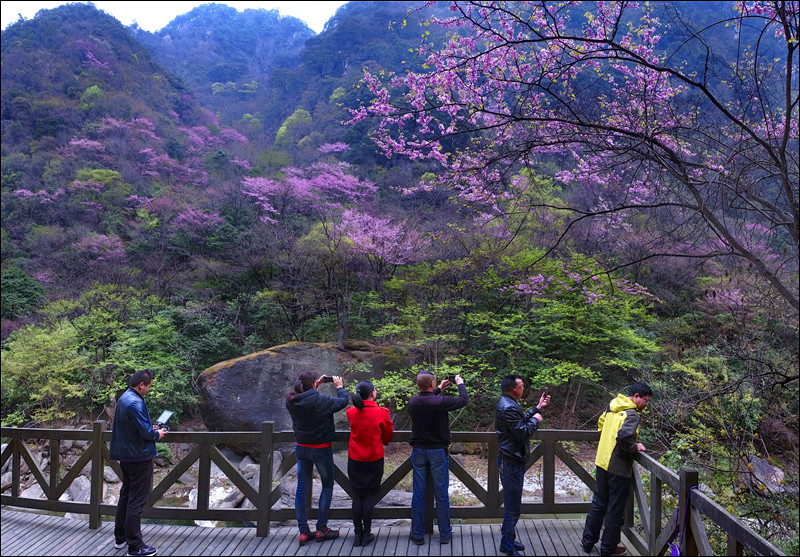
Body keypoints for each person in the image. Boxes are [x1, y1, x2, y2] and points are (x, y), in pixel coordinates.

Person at [581, 382, 653, 557]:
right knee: (615, 508)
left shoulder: (611, 407)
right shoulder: (632, 415)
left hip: (602, 461)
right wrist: (636, 447)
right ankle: (608, 548)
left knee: (598, 503)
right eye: (646, 400)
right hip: (618, 466)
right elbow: (624, 438)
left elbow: (600, 426)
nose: (646, 404)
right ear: (636, 396)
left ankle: (587, 542)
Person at [285, 372, 349, 546]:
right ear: (313, 384)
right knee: (327, 486)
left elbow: (306, 398)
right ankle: (322, 529)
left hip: (302, 448)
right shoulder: (322, 401)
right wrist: (339, 388)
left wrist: (314, 387)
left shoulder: (292, 402)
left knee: (301, 488)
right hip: (321, 449)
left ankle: (304, 532)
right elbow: (343, 401)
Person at [109, 369, 167, 557]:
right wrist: (156, 433)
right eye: (149, 386)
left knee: (126, 497)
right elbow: (146, 433)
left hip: (126, 456)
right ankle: (135, 546)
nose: (149, 389)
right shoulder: (135, 402)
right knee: (137, 500)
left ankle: (121, 538)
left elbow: (133, 427)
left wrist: (150, 428)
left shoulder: (124, 398)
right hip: (139, 457)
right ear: (141, 385)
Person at [407, 370, 469, 545]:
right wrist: (460, 383)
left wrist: (439, 388)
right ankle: (445, 534)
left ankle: (418, 535)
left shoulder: (413, 402)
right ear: (432, 383)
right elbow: (464, 400)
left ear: (418, 385)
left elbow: (426, 400)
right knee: (441, 494)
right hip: (438, 452)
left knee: (418, 494)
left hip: (419, 451)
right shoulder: (441, 402)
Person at [495, 375, 551, 556]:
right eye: (521, 385)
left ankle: (506, 541)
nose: (523, 388)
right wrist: (537, 420)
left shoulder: (508, 403)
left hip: (512, 460)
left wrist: (538, 408)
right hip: (510, 461)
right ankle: (508, 546)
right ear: (513, 388)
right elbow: (523, 432)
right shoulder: (508, 406)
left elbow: (518, 423)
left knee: (513, 506)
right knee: (513, 508)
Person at [346, 381, 394, 547]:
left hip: (354, 459)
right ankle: (366, 533)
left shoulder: (351, 412)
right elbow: (387, 436)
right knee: (369, 496)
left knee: (357, 495)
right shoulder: (381, 412)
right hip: (373, 459)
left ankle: (357, 534)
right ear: (372, 393)